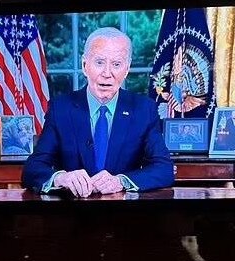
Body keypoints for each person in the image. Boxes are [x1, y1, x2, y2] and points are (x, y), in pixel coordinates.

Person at [22, 27, 174, 197]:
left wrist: (121, 181)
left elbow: (164, 169)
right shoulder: (61, 109)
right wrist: (61, 178)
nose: (107, 73)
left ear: (127, 69)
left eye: (116, 64)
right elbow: (32, 169)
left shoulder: (143, 109)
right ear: (84, 65)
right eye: (99, 62)